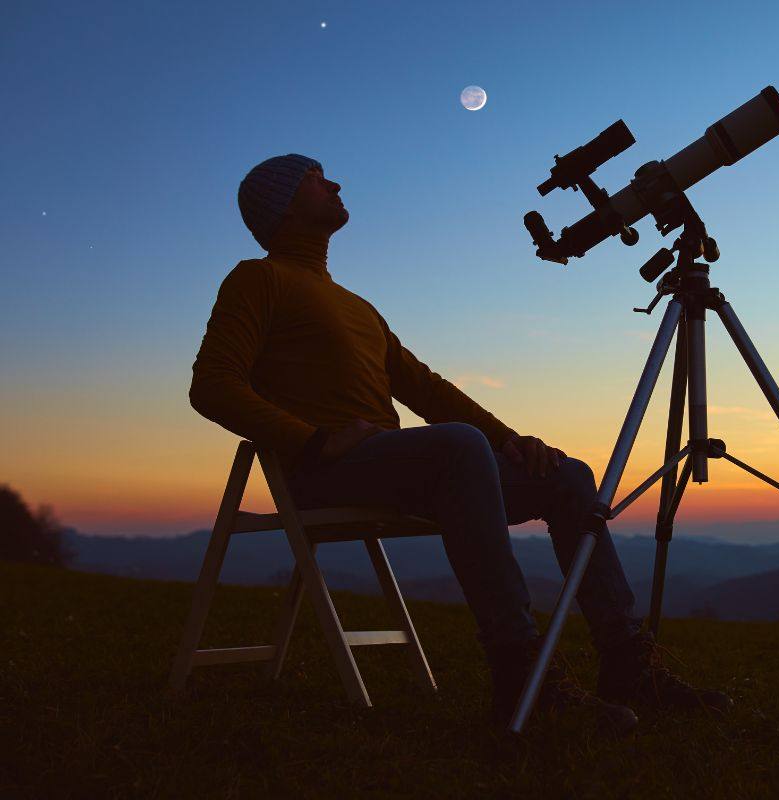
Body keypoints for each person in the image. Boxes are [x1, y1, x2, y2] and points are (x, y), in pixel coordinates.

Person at [189, 153, 733, 735]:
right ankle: (524, 678)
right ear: (282, 203)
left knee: (567, 476)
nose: (336, 182)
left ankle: (627, 663)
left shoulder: (355, 305)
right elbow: (212, 386)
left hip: (402, 467)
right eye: (317, 179)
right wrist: (315, 441)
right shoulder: (257, 279)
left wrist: (511, 439)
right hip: (327, 470)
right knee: (460, 446)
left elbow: (426, 388)